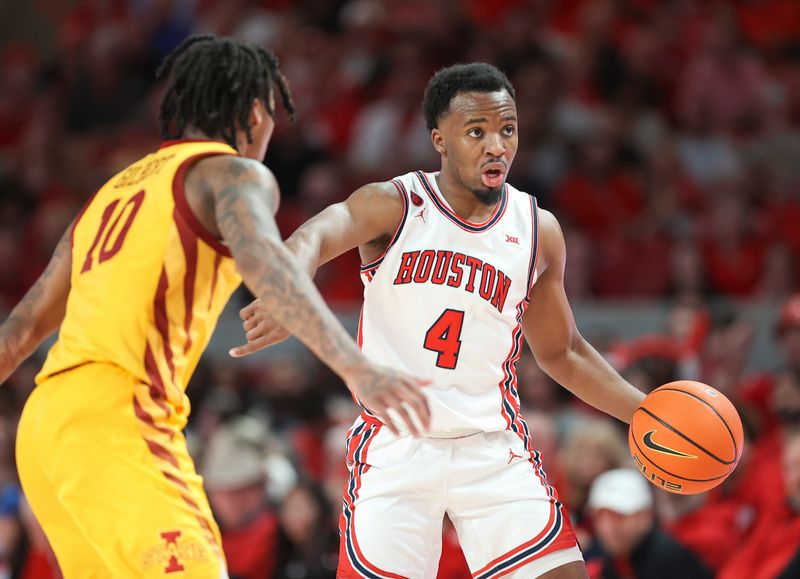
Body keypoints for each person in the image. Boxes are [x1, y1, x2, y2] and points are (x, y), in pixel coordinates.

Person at [0, 35, 430, 578]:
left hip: (44, 427)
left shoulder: (108, 195)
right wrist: (356, 364)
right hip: (117, 417)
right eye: (273, 116)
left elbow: (17, 333)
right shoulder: (231, 173)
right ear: (254, 113)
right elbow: (265, 263)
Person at [233, 63, 646, 578]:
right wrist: (285, 286)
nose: (496, 145)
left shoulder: (538, 230)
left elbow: (561, 352)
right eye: (477, 132)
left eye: (507, 129)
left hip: (491, 444)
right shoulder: (395, 204)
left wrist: (643, 412)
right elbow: (316, 234)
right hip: (396, 444)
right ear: (440, 141)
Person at [582, 469, 712, 579]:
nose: (608, 527)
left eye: (620, 516)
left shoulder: (668, 559)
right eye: (600, 517)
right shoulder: (603, 557)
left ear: (646, 516)